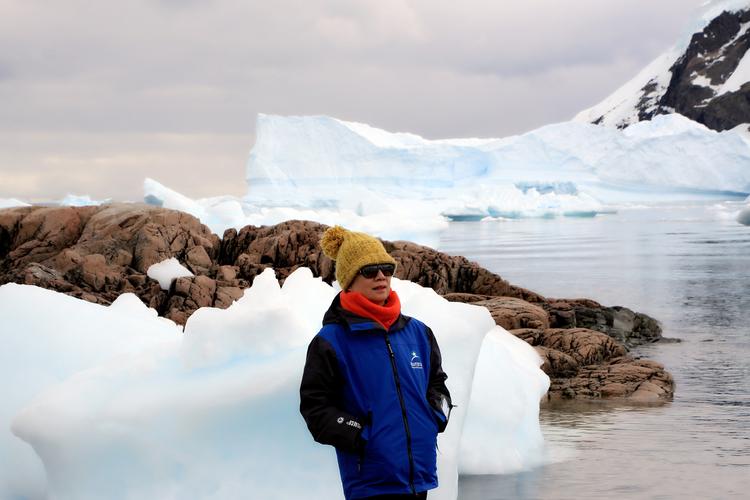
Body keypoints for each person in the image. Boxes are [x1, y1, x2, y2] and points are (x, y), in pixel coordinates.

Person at [300, 226, 452, 500]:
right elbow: (315, 408)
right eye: (369, 270)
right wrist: (361, 434)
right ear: (349, 279)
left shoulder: (419, 333)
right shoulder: (331, 341)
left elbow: (437, 384)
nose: (381, 276)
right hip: (370, 482)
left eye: (386, 268)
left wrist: (434, 417)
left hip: (419, 477)